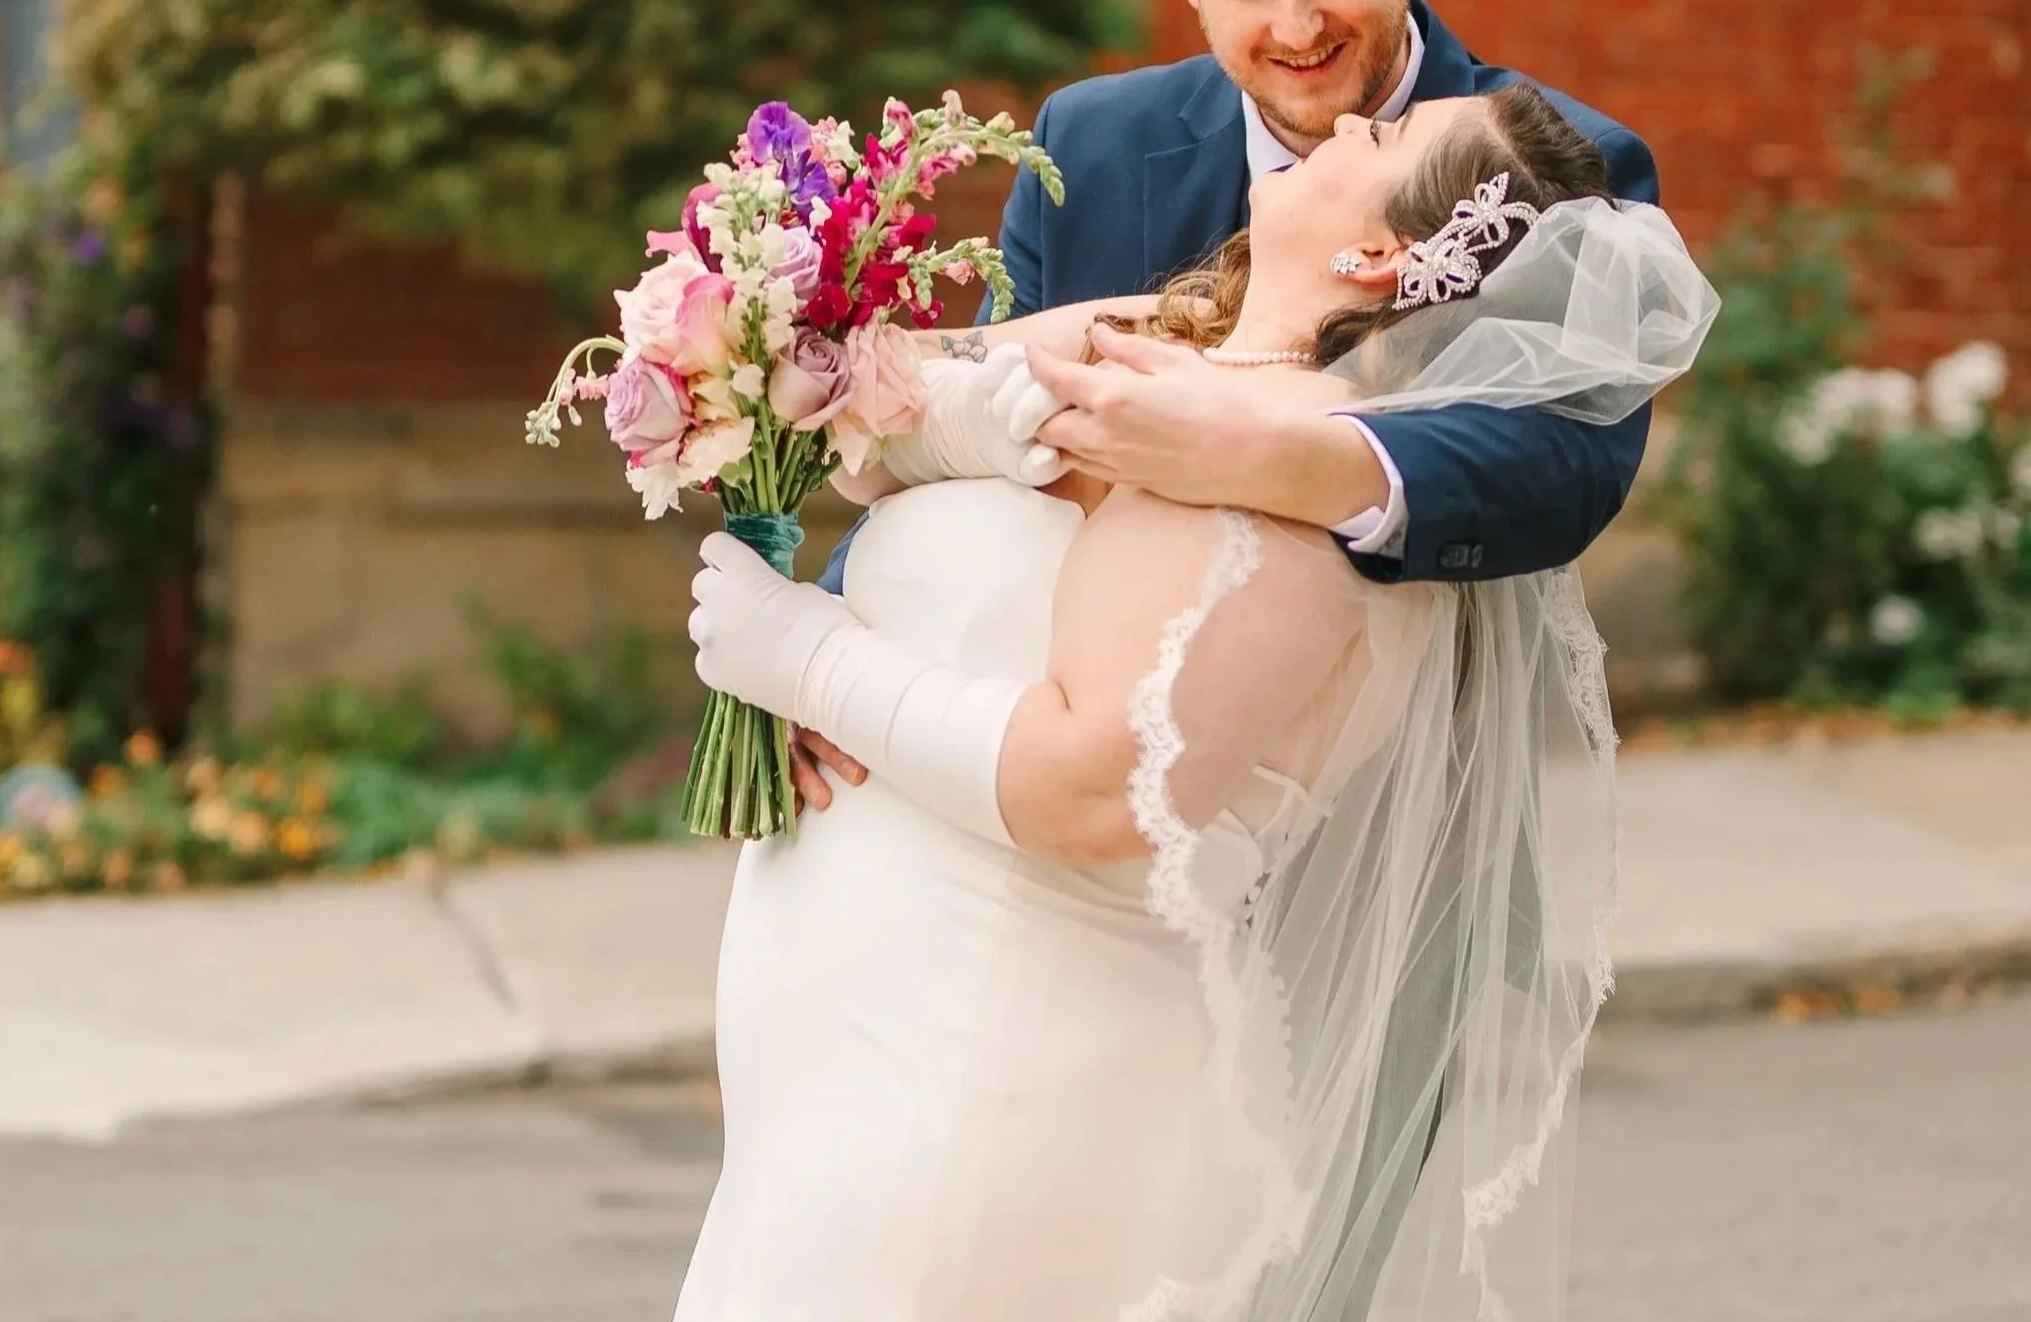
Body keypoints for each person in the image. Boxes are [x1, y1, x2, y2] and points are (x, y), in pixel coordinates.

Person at [675, 79, 1716, 1321]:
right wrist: (961, 422)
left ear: (1377, 253)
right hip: (862, 1064)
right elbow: (872, 403)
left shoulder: (1276, 470)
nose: (1337, 127)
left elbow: (1097, 790)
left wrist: (807, 660)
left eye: (1377, 137)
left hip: (980, 1077)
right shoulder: (1180, 349)